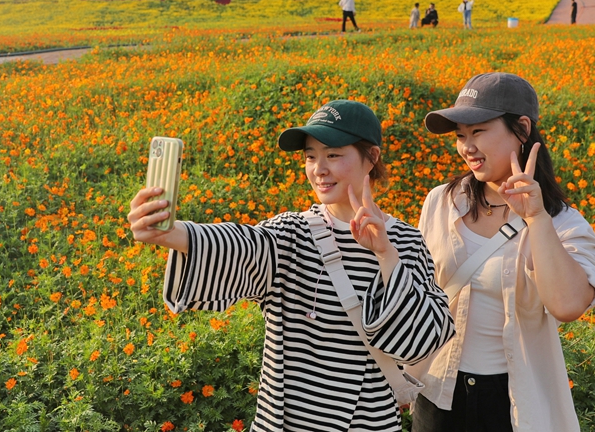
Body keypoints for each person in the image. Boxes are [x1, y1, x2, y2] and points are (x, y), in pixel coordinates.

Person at [129, 100, 455, 432]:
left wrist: (386, 256)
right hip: (288, 422)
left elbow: (422, 343)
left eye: (333, 155)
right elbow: (245, 247)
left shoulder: (405, 240)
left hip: (366, 423)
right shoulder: (293, 232)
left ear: (371, 157)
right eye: (310, 156)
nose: (318, 169)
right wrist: (174, 233)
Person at [411, 72, 595, 432]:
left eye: (479, 131)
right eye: (460, 136)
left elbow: (568, 305)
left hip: (513, 403)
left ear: (522, 129)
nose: (467, 146)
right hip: (437, 395)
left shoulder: (564, 224)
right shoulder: (442, 202)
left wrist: (536, 219)